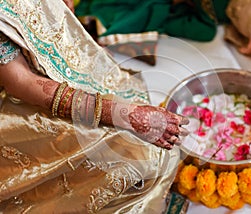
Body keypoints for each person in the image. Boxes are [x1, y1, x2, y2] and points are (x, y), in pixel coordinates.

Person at [0, 0, 189, 213]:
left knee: (152, 140)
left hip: (65, 68)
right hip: (24, 102)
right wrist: (123, 115)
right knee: (144, 157)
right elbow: (22, 83)